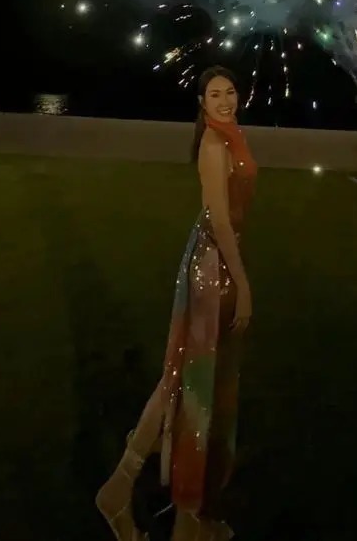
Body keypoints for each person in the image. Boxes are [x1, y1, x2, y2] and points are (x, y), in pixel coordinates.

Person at [96, 66, 258, 541]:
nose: (225, 100)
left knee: (187, 379)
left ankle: (132, 492)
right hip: (212, 266)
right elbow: (220, 220)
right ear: (202, 104)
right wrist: (243, 284)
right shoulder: (213, 144)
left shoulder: (231, 137)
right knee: (191, 382)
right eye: (215, 94)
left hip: (219, 258)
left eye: (230, 92)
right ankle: (181, 515)